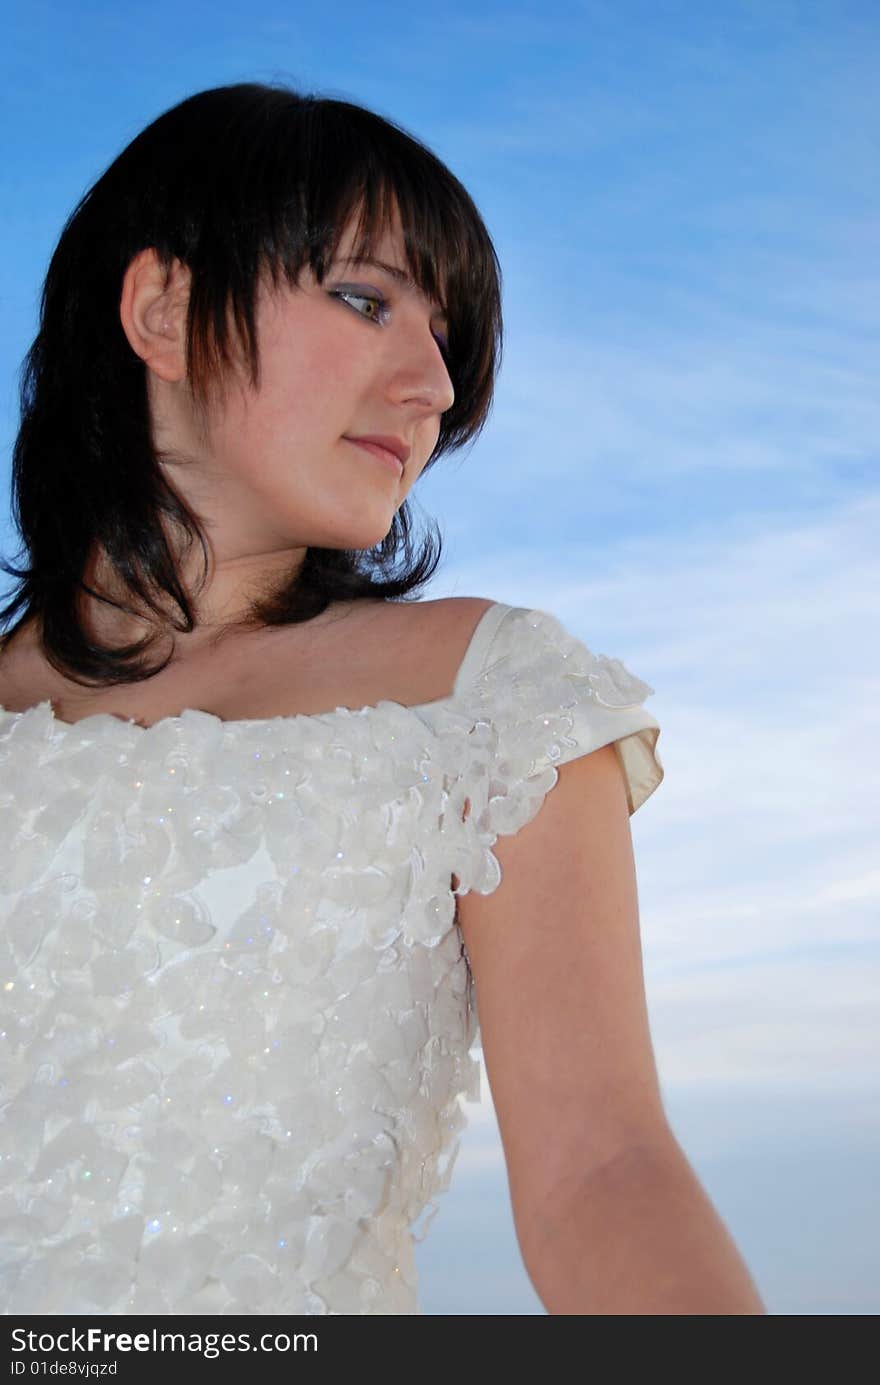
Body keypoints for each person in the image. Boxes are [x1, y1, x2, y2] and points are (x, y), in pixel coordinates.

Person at [0, 82, 765, 1316]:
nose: (436, 386)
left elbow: (600, 1169)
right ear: (164, 306)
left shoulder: (489, 696)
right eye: (366, 300)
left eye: (448, 335)